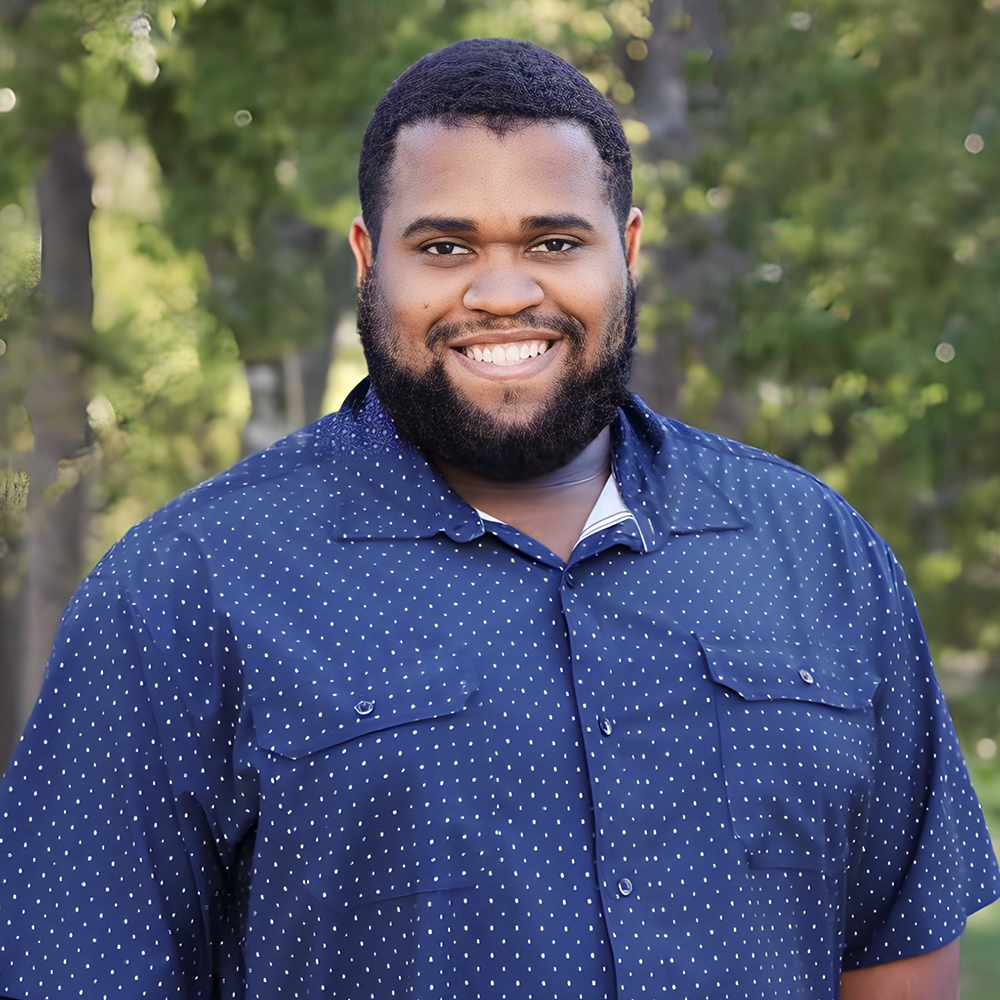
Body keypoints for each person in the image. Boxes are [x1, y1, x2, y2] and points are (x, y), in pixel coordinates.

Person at [0, 38, 997, 1000]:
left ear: (628, 248)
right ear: (367, 258)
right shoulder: (183, 592)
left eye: (554, 241)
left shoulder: (814, 555)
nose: (504, 291)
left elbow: (897, 948)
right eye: (445, 245)